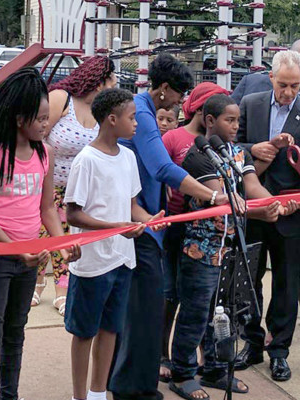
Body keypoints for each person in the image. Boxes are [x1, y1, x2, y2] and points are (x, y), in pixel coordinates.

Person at [109, 53, 230, 400]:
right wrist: (209, 195)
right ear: (162, 89)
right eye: (179, 94)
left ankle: (127, 381)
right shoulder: (143, 114)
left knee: (137, 309)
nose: (181, 102)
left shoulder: (143, 110)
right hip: (139, 224)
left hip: (143, 220)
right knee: (146, 309)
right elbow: (162, 168)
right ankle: (137, 388)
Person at [170, 94, 295, 400]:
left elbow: (251, 187)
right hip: (202, 250)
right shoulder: (198, 156)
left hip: (232, 248)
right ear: (210, 121)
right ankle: (183, 374)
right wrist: (260, 211)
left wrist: (275, 204)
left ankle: (215, 370)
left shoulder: (237, 153)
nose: (236, 126)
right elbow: (223, 200)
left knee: (223, 314)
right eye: (230, 120)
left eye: (238, 120)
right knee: (196, 313)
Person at [0, 67, 81, 400]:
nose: (47, 124)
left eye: (48, 118)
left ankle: (10, 394)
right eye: (42, 119)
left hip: (30, 257)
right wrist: (15, 248)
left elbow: (48, 208)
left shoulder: (43, 153)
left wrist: (60, 246)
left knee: (16, 332)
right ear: (20, 118)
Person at [65, 88, 167, 400]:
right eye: (131, 118)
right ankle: (79, 396)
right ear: (112, 120)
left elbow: (131, 204)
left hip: (123, 258)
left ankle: (98, 393)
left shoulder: (129, 157)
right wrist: (115, 228)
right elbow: (73, 212)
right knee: (85, 331)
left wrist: (148, 220)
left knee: (111, 328)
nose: (137, 123)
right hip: (93, 262)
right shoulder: (86, 160)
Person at [235, 50, 300, 382]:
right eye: (283, 84)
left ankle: (279, 351)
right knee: (249, 278)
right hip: (255, 210)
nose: (288, 92)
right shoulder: (251, 103)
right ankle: (252, 342)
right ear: (271, 77)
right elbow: (233, 146)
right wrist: (252, 149)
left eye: (295, 86)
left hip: (291, 214)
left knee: (287, 283)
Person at [33, 56, 117, 316]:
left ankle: (62, 290)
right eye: (113, 79)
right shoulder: (62, 99)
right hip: (48, 186)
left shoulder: (102, 111)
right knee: (40, 236)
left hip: (78, 192)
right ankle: (36, 282)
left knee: (70, 240)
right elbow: (39, 133)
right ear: (100, 81)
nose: (116, 84)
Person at [159, 82, 230, 382]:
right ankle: (163, 353)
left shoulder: (217, 144)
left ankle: (206, 359)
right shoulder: (174, 137)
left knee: (203, 300)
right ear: (202, 110)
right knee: (170, 295)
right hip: (176, 225)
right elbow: (161, 178)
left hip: (208, 234)